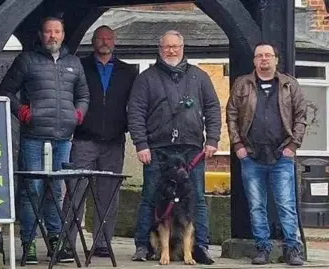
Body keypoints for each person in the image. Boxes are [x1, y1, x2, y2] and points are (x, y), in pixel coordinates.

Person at [0, 16, 89, 265]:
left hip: (63, 138)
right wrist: (24, 112)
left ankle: (56, 243)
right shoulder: (27, 60)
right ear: (41, 35)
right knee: (32, 191)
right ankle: (28, 244)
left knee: (56, 191)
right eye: (48, 32)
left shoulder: (74, 63)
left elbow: (83, 95)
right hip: (33, 136)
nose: (52, 36)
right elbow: (6, 90)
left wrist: (77, 115)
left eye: (57, 31)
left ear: (62, 34)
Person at [128, 30, 220, 264]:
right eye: (167, 47)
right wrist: (141, 143)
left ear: (182, 48)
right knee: (150, 197)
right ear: (160, 49)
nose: (171, 50)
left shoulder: (199, 77)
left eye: (175, 46)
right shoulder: (146, 78)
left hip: (192, 150)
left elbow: (212, 108)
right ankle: (143, 245)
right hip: (157, 149)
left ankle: (200, 246)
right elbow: (136, 112)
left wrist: (213, 140)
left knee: (197, 198)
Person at [60, 25, 138, 260]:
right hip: (84, 138)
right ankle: (67, 242)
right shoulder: (79, 66)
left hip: (114, 140)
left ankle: (102, 243)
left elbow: (134, 106)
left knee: (108, 194)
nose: (104, 41)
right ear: (93, 41)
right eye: (100, 38)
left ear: (114, 42)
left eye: (108, 38)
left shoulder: (128, 71)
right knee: (75, 192)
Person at [226, 42, 306, 266]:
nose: (263, 59)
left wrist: (293, 146)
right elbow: (231, 115)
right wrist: (237, 146)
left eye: (267, 55)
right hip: (251, 154)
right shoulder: (242, 85)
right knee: (256, 205)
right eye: (259, 56)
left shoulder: (290, 85)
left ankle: (292, 250)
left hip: (282, 154)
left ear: (276, 60)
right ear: (254, 60)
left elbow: (301, 116)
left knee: (286, 204)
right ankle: (262, 248)